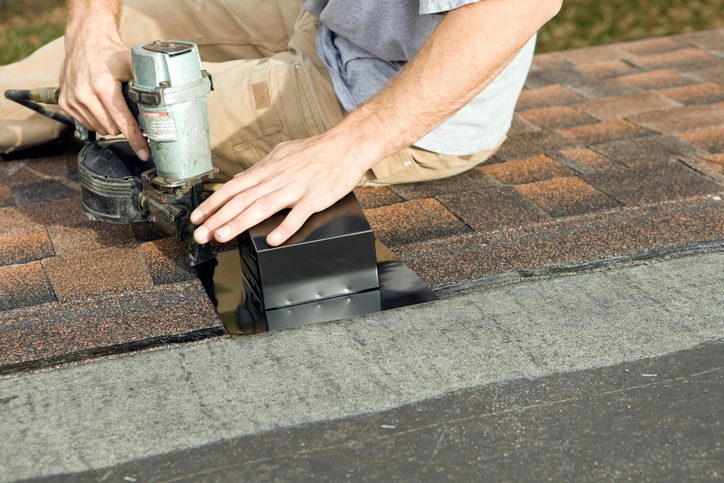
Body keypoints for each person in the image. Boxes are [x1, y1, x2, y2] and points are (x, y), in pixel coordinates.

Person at [0, 0, 562, 246]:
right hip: (324, 14)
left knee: (117, 101)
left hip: (384, 92)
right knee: (106, 47)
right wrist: (91, 25)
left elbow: (517, 4)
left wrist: (344, 148)